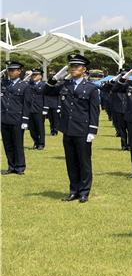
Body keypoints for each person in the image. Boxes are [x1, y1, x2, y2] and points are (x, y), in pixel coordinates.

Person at [44, 54, 100, 203]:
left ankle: (84, 192)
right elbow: (46, 90)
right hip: (67, 129)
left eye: (77, 66)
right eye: (71, 66)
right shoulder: (64, 85)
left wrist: (92, 130)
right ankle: (73, 190)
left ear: (84, 69)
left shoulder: (91, 88)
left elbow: (94, 111)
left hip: (82, 130)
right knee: (71, 162)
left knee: (84, 162)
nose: (73, 69)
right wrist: (55, 77)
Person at [1, 60, 31, 175]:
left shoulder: (24, 86)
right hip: (4, 118)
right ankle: (11, 166)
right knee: (7, 144)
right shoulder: (4, 84)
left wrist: (25, 119)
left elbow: (26, 104)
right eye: (9, 70)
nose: (10, 72)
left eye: (13, 70)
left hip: (17, 118)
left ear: (19, 72)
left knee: (18, 144)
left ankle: (19, 167)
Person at [28, 68, 46, 150]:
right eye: (33, 75)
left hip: (39, 109)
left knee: (40, 127)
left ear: (40, 76)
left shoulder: (44, 85)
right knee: (31, 128)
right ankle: (36, 141)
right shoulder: (29, 84)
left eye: (35, 75)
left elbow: (46, 97)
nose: (33, 76)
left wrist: (45, 109)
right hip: (30, 109)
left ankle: (41, 143)